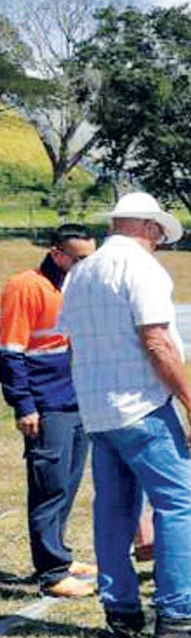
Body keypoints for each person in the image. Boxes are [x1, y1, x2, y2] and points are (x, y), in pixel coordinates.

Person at [60, 193, 191, 638]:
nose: (158, 242)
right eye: (158, 234)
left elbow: (73, 345)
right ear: (149, 228)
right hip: (141, 406)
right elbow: (156, 341)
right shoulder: (142, 268)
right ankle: (177, 612)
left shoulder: (80, 272)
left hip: (99, 409)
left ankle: (121, 610)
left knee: (114, 511)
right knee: (179, 503)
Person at [0, 224, 99, 598]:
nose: (86, 266)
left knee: (69, 481)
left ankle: (59, 554)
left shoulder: (74, 287)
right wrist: (24, 405)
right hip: (46, 403)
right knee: (49, 485)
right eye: (80, 259)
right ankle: (52, 573)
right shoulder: (26, 286)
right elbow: (9, 352)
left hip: (76, 399)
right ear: (58, 254)